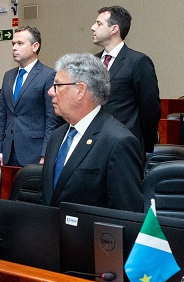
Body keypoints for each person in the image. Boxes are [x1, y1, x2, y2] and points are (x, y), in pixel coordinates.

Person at [39, 53, 144, 211]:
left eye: (57, 85)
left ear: (80, 90)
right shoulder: (56, 136)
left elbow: (126, 214)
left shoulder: (118, 141)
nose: (50, 92)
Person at [91, 5, 161, 153]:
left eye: (99, 24)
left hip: (124, 145)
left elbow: (150, 110)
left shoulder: (138, 62)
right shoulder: (91, 62)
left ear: (114, 29)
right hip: (92, 144)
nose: (92, 27)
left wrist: (143, 147)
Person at [0, 26, 58, 166]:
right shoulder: (8, 76)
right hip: (8, 152)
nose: (14, 48)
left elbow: (51, 120)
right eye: (13, 44)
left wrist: (45, 154)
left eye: (20, 43)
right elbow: (1, 115)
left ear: (35, 46)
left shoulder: (48, 75)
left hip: (34, 152)